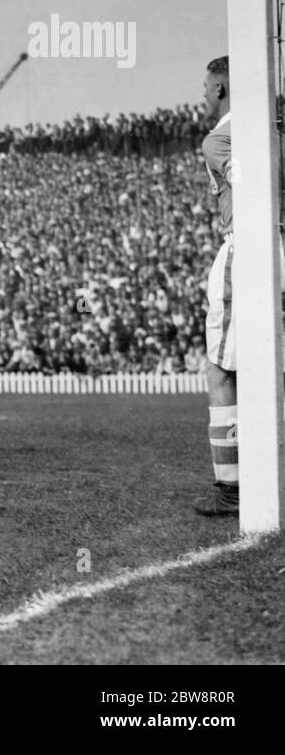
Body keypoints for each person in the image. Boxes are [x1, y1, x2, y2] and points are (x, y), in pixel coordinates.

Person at [195, 57, 238, 516]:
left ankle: (231, 488)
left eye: (207, 88)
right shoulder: (274, 130)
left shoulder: (219, 138)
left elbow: (242, 187)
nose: (203, 96)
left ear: (222, 88)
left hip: (247, 247)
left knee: (221, 372)